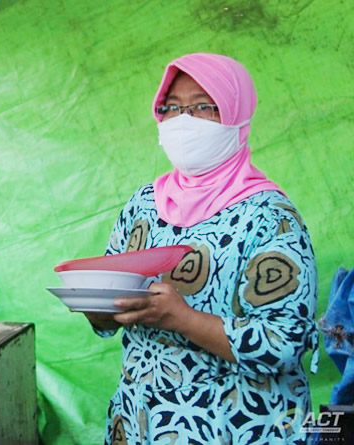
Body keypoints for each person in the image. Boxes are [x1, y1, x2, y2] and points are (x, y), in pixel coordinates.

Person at [85, 53, 319, 444]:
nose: (184, 121)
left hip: (238, 424)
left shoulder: (269, 217)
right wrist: (100, 308)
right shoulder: (144, 205)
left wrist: (182, 318)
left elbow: (284, 344)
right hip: (142, 420)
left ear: (236, 115)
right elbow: (112, 302)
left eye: (202, 107)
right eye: (172, 108)